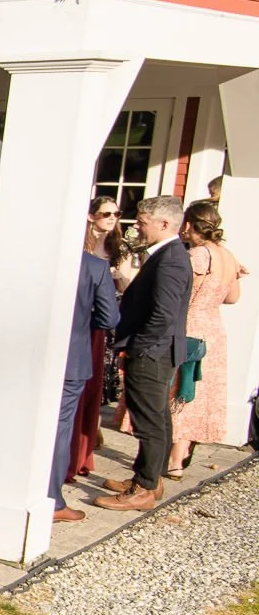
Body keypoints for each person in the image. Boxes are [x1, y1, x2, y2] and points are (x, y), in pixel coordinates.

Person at [99, 196, 193, 511]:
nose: (136, 227)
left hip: (152, 352)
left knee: (149, 421)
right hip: (159, 350)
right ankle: (148, 476)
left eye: (142, 222)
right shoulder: (168, 254)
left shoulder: (171, 259)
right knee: (158, 417)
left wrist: (137, 347)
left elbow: (163, 314)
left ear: (164, 224)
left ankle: (144, 488)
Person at [166, 200, 244, 476]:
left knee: (182, 388)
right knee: (199, 391)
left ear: (188, 224)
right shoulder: (227, 255)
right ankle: (184, 451)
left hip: (191, 327)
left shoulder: (198, 255)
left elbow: (185, 296)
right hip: (214, 329)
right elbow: (233, 297)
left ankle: (175, 459)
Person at [52, 253, 121, 522]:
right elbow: (108, 318)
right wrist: (80, 323)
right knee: (59, 429)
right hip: (71, 357)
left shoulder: (29, 254)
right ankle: (53, 502)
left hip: (30, 355)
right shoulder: (94, 265)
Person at [70, 196, 136, 480]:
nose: (112, 218)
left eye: (116, 214)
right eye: (106, 213)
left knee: (95, 388)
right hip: (85, 321)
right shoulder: (79, 247)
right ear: (91, 216)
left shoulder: (119, 248)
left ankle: (87, 441)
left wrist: (120, 277)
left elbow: (129, 287)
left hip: (105, 326)